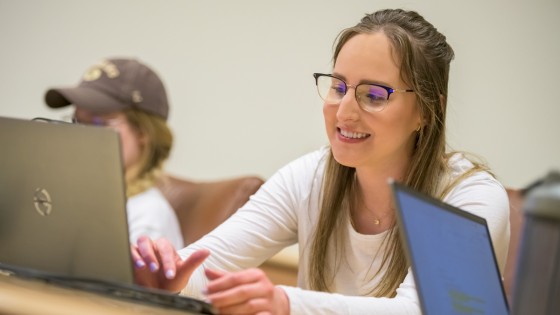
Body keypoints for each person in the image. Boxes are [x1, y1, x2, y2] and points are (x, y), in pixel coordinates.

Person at [131, 8, 510, 314]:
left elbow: (418, 311)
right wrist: (170, 273)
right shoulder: (310, 176)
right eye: (338, 86)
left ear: (427, 111)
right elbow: (208, 266)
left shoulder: (472, 199)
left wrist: (286, 303)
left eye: (374, 95)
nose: (344, 111)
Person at [45, 57, 184, 250]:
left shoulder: (146, 216)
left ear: (144, 132)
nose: (82, 136)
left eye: (98, 124)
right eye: (77, 122)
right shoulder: (68, 196)